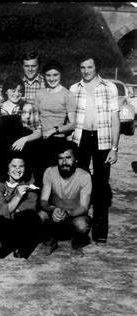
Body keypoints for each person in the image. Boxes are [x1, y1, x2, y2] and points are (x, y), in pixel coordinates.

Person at [69, 55, 120, 245]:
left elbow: (115, 119)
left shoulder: (109, 87)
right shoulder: (75, 88)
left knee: (100, 186)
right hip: (80, 139)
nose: (86, 71)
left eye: (89, 66)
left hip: (103, 140)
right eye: (82, 67)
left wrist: (114, 148)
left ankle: (99, 232)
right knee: (79, 183)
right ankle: (77, 228)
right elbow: (71, 119)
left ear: (96, 66)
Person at [39, 141, 92, 257]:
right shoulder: (49, 172)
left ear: (75, 159)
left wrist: (67, 213)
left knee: (82, 225)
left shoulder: (84, 176)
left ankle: (77, 244)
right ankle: (50, 242)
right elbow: (43, 201)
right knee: (40, 216)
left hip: (74, 214)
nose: (64, 162)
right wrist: (53, 209)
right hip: (55, 213)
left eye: (68, 158)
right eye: (60, 158)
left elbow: (84, 207)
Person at [0, 154, 42, 259]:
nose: (18, 170)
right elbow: (0, 210)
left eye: (21, 166)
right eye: (14, 166)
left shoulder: (29, 177)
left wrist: (13, 210)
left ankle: (17, 244)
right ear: (7, 167)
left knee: (31, 217)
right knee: (0, 221)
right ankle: (8, 243)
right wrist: (18, 196)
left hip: (15, 214)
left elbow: (32, 202)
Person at [0, 75, 42, 182]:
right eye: (13, 90)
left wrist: (24, 139)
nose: (17, 94)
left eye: (20, 91)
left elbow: (38, 132)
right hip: (1, 153)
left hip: (21, 153)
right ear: (6, 91)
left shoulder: (28, 107)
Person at [34, 60, 77, 176]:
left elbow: (73, 124)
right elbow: (34, 118)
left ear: (61, 75)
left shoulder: (67, 95)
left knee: (54, 177)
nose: (51, 79)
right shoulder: (39, 93)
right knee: (38, 176)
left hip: (57, 142)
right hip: (40, 141)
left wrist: (54, 130)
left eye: (55, 75)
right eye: (48, 75)